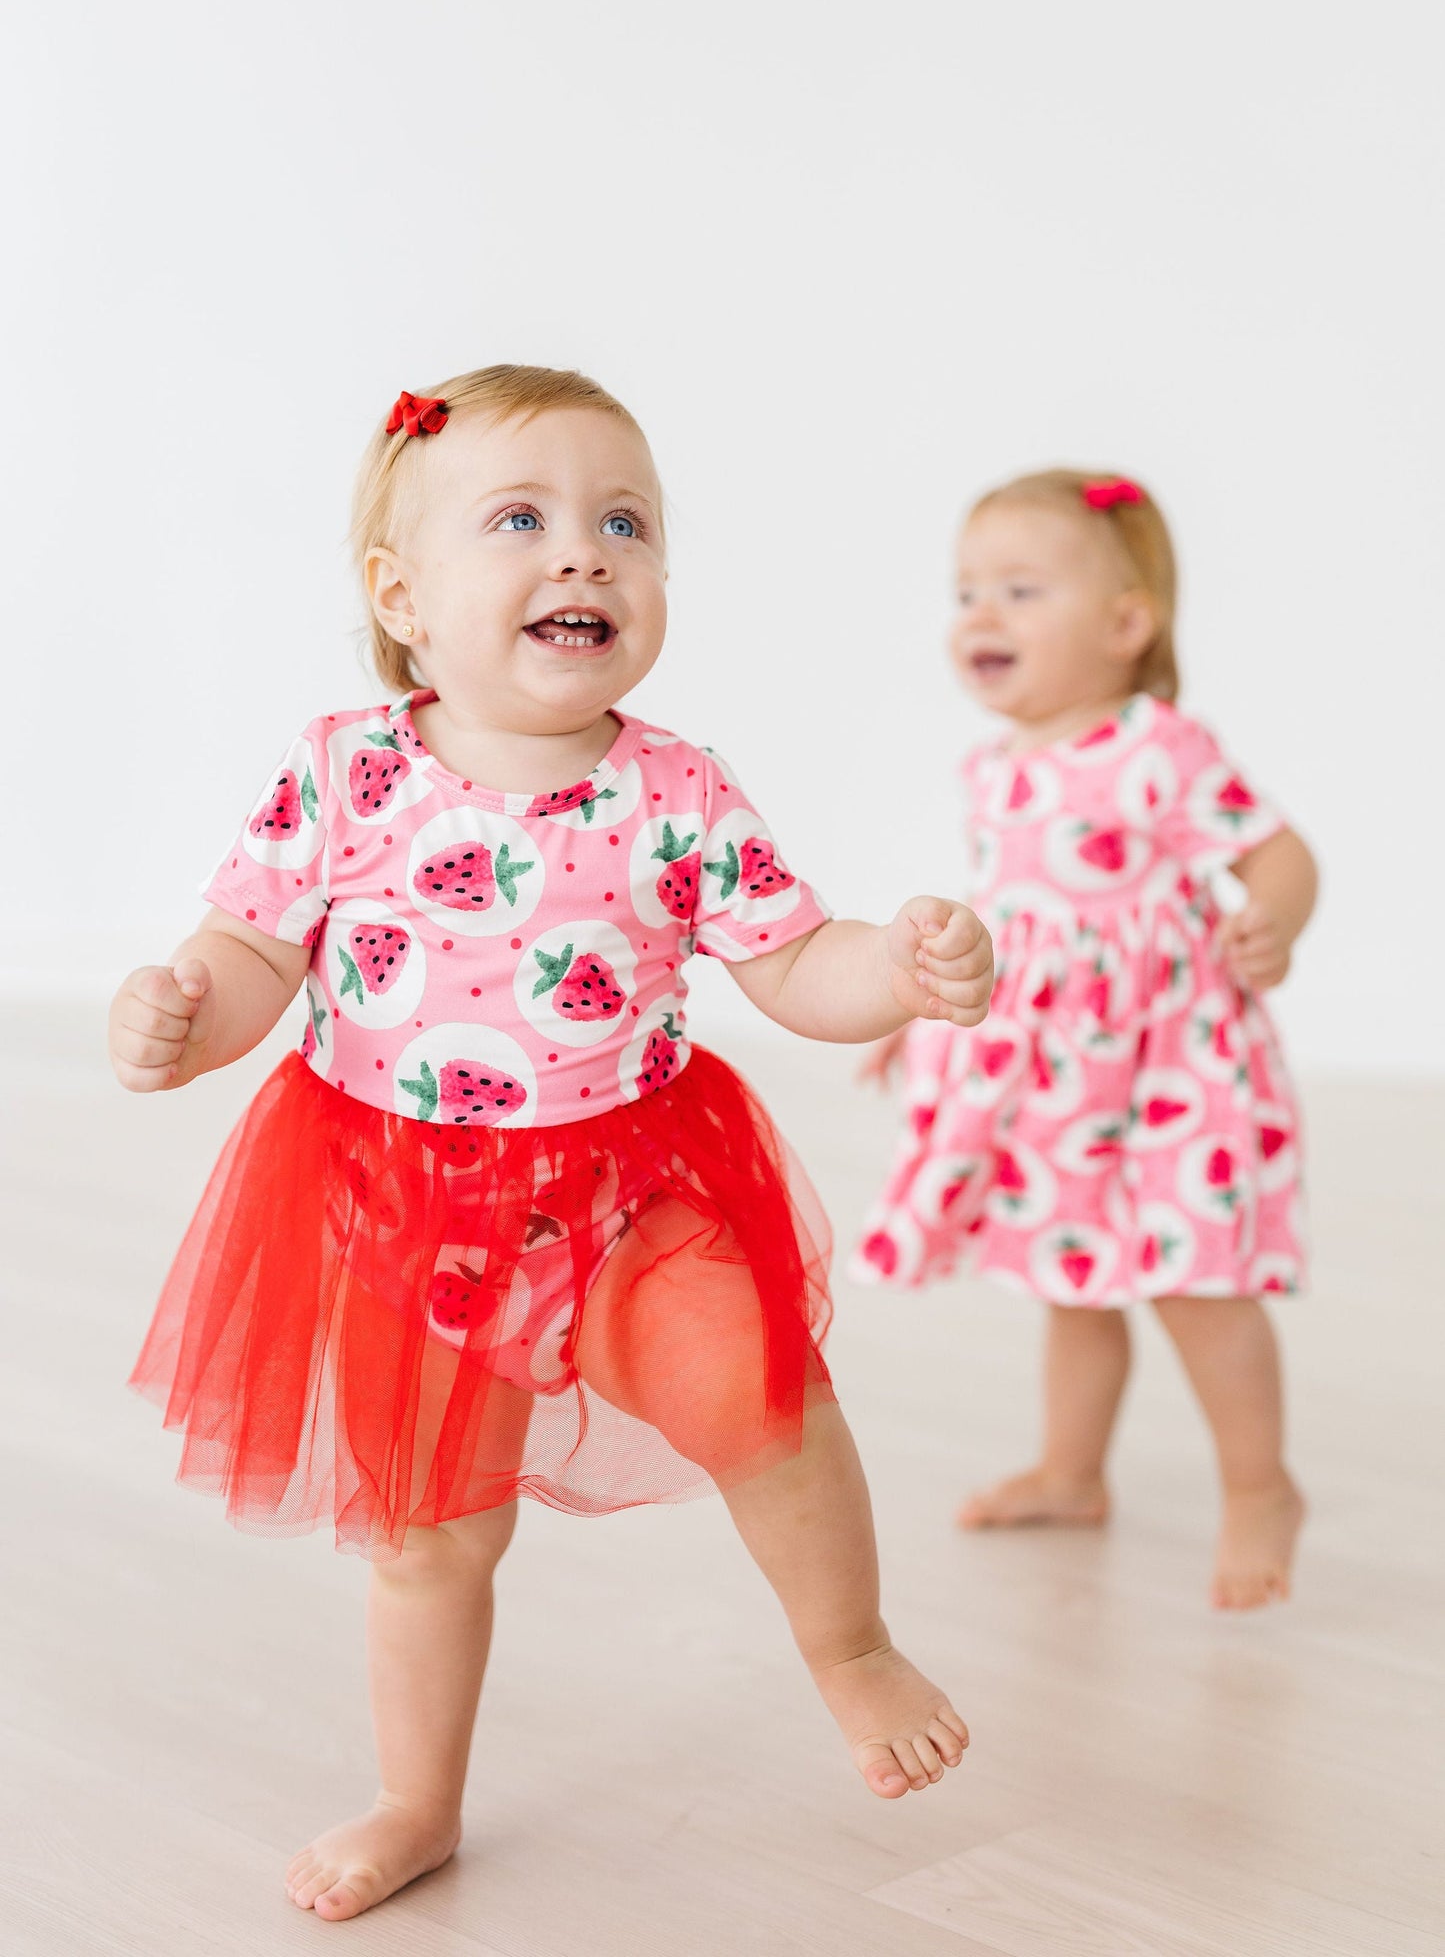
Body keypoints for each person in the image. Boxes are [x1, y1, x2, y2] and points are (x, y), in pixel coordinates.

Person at [111, 366, 994, 1923]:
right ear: (402, 594)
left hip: (629, 1187)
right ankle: (416, 1799)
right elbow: (250, 952)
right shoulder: (342, 771)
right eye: (521, 518)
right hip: (401, 1208)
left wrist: (899, 971)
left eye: (625, 524)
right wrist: (188, 1012)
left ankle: (849, 1648)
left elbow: (794, 965)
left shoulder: (674, 790)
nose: (585, 553)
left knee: (762, 1397)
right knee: (433, 1539)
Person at [855, 468, 1315, 1611]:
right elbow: (1002, 917)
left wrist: (1275, 922)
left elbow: (1275, 848)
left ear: (1123, 623)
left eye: (1020, 588)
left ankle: (1260, 1484)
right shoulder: (994, 768)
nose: (981, 614)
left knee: (1195, 1279)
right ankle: (1070, 1470)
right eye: (967, 590)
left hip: (1168, 1069)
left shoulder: (1156, 744)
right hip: (1051, 1076)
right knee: (1074, 1277)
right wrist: (908, 1002)